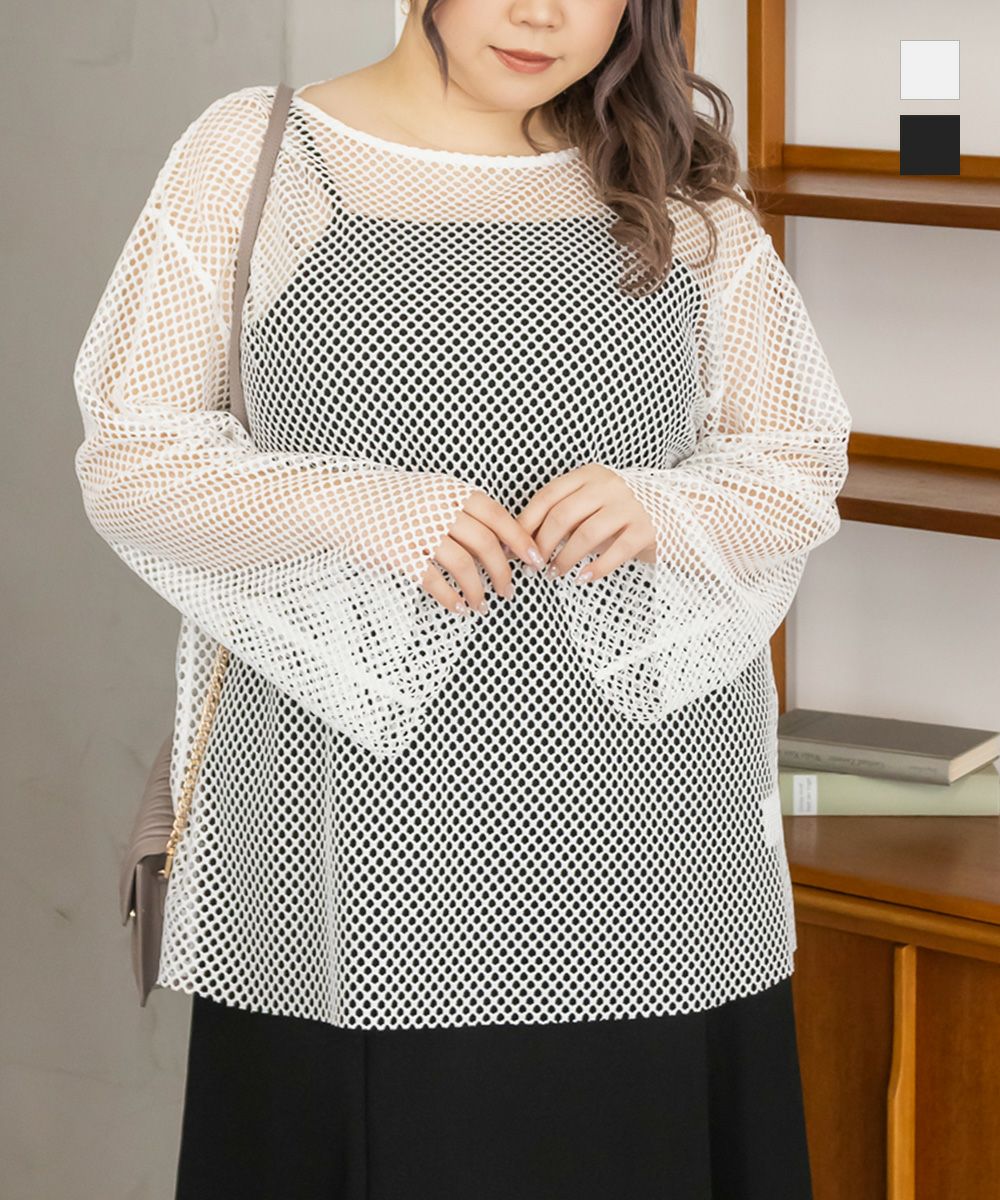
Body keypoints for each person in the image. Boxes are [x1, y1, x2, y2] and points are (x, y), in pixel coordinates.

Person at [73, 0, 851, 1196]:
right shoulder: (261, 154)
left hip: (645, 851)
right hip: (347, 858)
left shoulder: (671, 183)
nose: (543, 12)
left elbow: (795, 463)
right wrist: (357, 506)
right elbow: (132, 459)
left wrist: (661, 508)